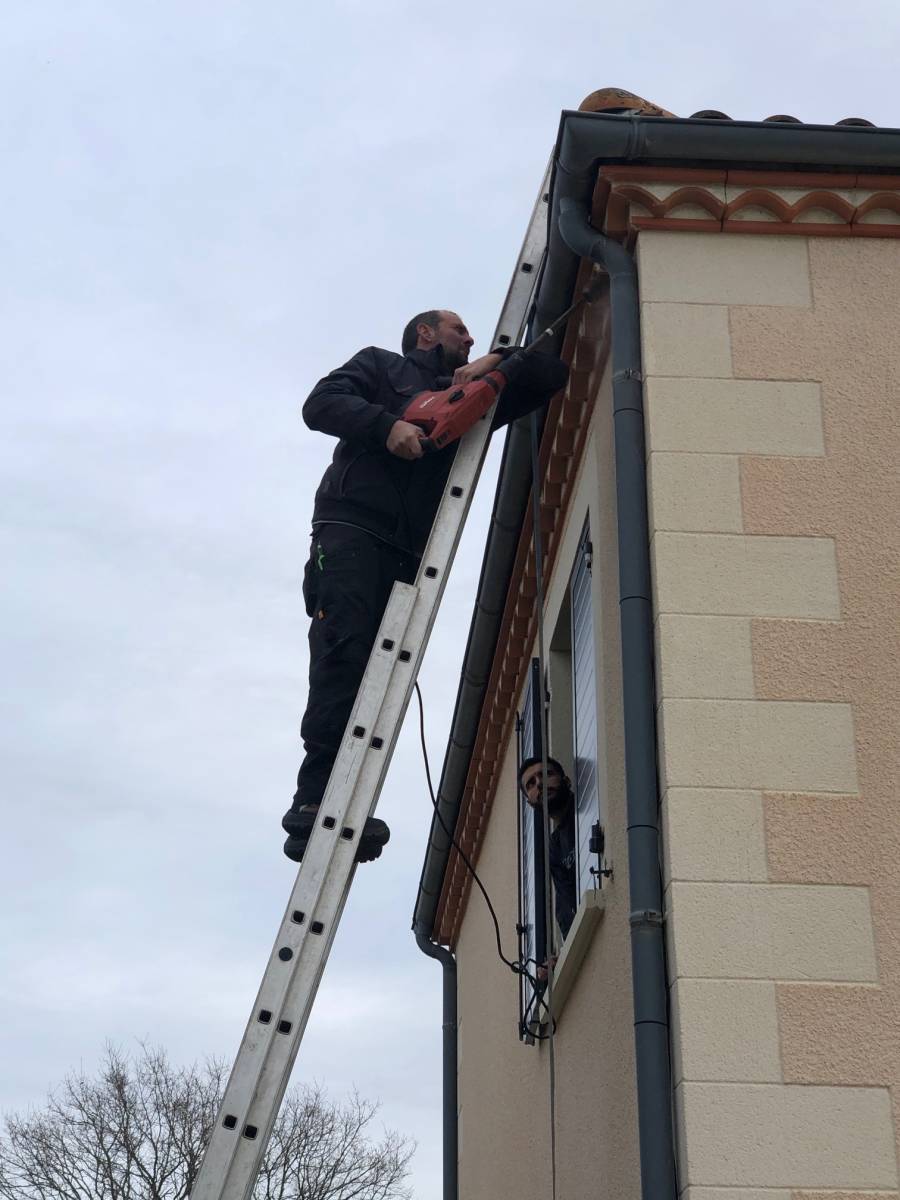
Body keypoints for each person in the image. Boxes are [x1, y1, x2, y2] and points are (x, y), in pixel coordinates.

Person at [283, 310, 569, 863]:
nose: (470, 338)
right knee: (344, 653)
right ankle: (315, 798)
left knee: (382, 673)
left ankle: (347, 803)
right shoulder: (381, 368)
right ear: (426, 334)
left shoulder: (473, 396)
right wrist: (387, 426)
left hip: (411, 550)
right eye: (460, 330)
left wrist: (496, 362)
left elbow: (549, 373)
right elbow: (320, 404)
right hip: (352, 529)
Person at [518, 755, 577, 940]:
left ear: (566, 780)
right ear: (530, 802)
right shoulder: (555, 847)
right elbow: (567, 911)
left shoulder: (588, 808)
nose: (539, 784)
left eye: (546, 774)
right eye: (531, 784)